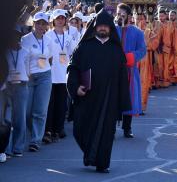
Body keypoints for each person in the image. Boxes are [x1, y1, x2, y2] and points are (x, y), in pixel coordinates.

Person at [67, 9, 131, 173]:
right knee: (79, 129)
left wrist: (123, 102)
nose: (103, 29)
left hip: (109, 98)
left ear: (110, 27)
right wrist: (75, 88)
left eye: (106, 26)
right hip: (87, 96)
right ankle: (90, 154)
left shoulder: (116, 50)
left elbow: (123, 78)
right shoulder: (84, 47)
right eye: (100, 26)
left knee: (106, 132)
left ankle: (102, 163)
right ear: (95, 27)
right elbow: (73, 69)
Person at [22, 12, 53, 152]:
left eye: (43, 23)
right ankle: (34, 131)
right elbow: (22, 59)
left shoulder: (48, 40)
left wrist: (45, 70)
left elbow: (50, 58)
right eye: (38, 23)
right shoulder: (25, 39)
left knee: (40, 111)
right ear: (33, 24)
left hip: (44, 76)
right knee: (27, 112)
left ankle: (35, 140)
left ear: (47, 25)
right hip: (28, 77)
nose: (40, 26)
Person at [115, 3, 146, 138]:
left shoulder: (137, 32)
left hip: (130, 70)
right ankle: (111, 128)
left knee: (129, 97)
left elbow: (142, 50)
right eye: (118, 14)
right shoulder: (112, 30)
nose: (120, 17)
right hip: (114, 70)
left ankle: (127, 128)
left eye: (123, 15)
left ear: (128, 16)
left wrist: (130, 57)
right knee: (113, 98)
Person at [44, 9, 75, 142]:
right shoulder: (48, 36)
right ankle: (48, 130)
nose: (60, 20)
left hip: (63, 76)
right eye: (58, 18)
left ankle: (59, 128)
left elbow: (74, 52)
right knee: (50, 104)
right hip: (50, 75)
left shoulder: (68, 37)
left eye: (62, 18)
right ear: (53, 21)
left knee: (62, 104)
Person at [0, 28, 28, 161]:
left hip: (21, 86)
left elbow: (29, 70)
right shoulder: (4, 52)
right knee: (7, 119)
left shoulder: (25, 52)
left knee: (20, 118)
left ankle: (18, 148)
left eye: (17, 37)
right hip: (7, 87)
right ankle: (7, 148)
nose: (15, 39)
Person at [135, 12, 159, 114]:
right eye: (138, 18)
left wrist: (145, 46)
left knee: (143, 83)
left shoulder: (149, 32)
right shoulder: (129, 30)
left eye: (142, 19)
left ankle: (140, 107)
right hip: (132, 60)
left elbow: (154, 45)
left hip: (144, 60)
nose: (140, 21)